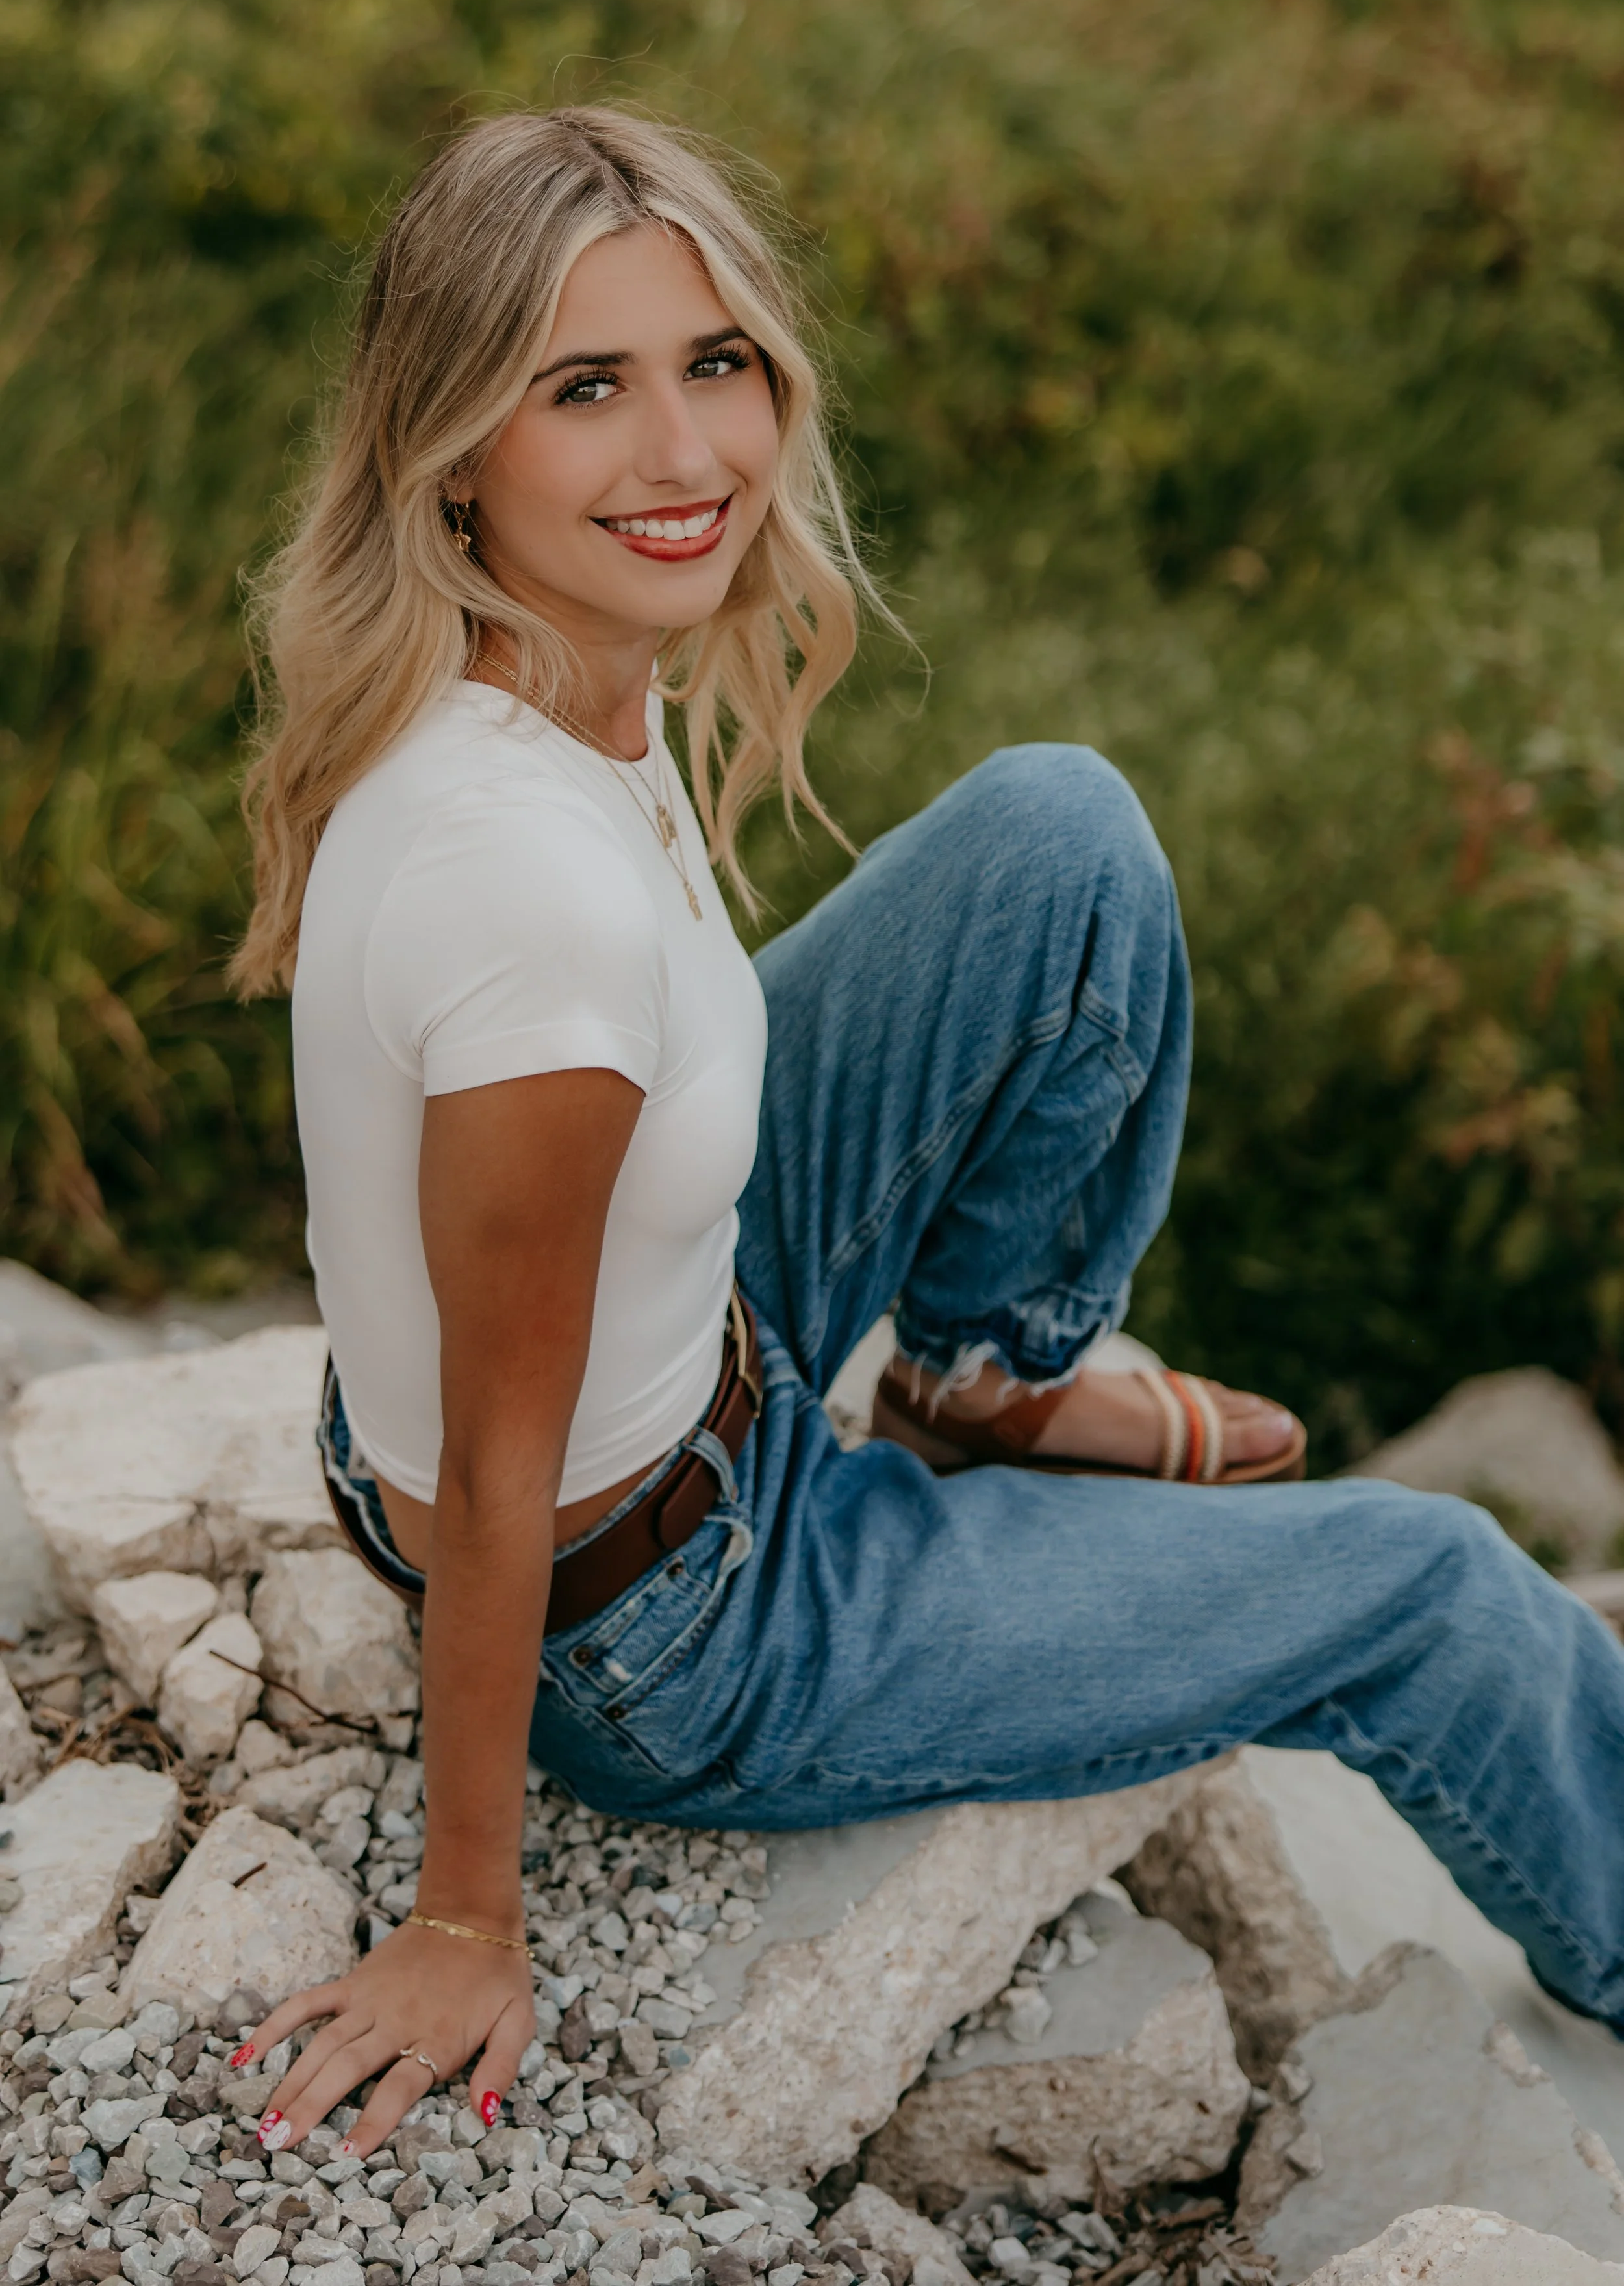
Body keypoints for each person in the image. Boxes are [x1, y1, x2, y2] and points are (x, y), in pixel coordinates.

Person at [227, 107, 1624, 2155]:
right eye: (583, 390)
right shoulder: (529, 895)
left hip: (692, 1352)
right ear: (449, 447)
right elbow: (501, 1458)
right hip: (674, 1615)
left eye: (712, 363)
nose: (686, 456)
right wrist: (463, 1906)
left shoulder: (536, 687)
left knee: (1057, 827)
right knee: (1437, 1587)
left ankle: (975, 1372)